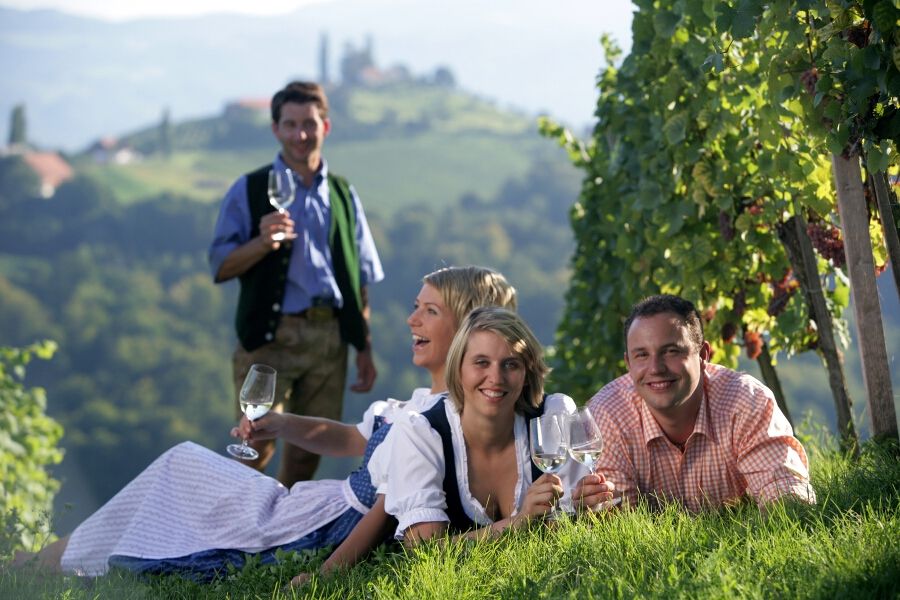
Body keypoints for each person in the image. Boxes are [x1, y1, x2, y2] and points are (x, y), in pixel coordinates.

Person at [15, 266, 516, 581]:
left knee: (181, 467)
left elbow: (392, 503)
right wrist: (281, 423)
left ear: (471, 328)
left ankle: (39, 565)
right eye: (415, 307)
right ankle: (44, 562)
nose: (412, 320)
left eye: (429, 311)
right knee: (178, 469)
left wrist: (327, 571)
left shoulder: (445, 416)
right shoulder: (410, 405)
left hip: (321, 524)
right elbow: (347, 438)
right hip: (315, 503)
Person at [208, 80, 383, 485]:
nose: (300, 134)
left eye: (309, 123)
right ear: (275, 129)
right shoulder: (249, 189)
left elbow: (360, 278)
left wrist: (364, 347)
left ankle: (282, 540)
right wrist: (261, 243)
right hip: (271, 338)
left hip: (330, 338)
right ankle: (233, 538)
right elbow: (220, 266)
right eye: (290, 124)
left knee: (309, 456)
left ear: (326, 127)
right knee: (256, 444)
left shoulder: (343, 193)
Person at [371, 307, 610, 543]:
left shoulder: (553, 416)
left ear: (527, 372)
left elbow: (562, 529)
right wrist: (520, 522)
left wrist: (583, 509)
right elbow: (425, 550)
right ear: (458, 370)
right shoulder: (421, 432)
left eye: (511, 364)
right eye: (481, 363)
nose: (496, 378)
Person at [584, 294, 816, 512]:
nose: (656, 368)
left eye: (671, 351)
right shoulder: (607, 414)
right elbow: (619, 525)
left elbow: (788, 505)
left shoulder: (746, 401)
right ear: (628, 363)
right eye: (642, 355)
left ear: (703, 355)